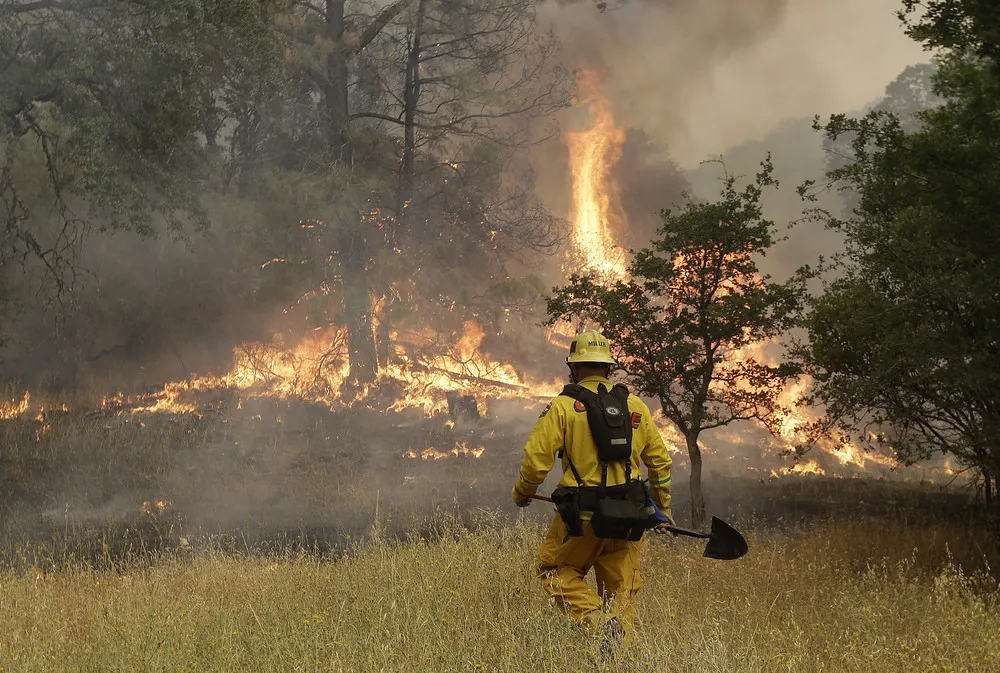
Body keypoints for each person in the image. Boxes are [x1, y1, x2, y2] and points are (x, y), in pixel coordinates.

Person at [511, 330, 673, 649]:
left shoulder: (563, 407)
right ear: (609, 368)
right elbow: (660, 464)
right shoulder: (636, 407)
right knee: (621, 590)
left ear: (574, 368)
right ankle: (619, 656)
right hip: (630, 517)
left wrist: (522, 492)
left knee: (553, 569)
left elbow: (536, 460)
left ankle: (598, 625)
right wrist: (662, 509)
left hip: (582, 517)